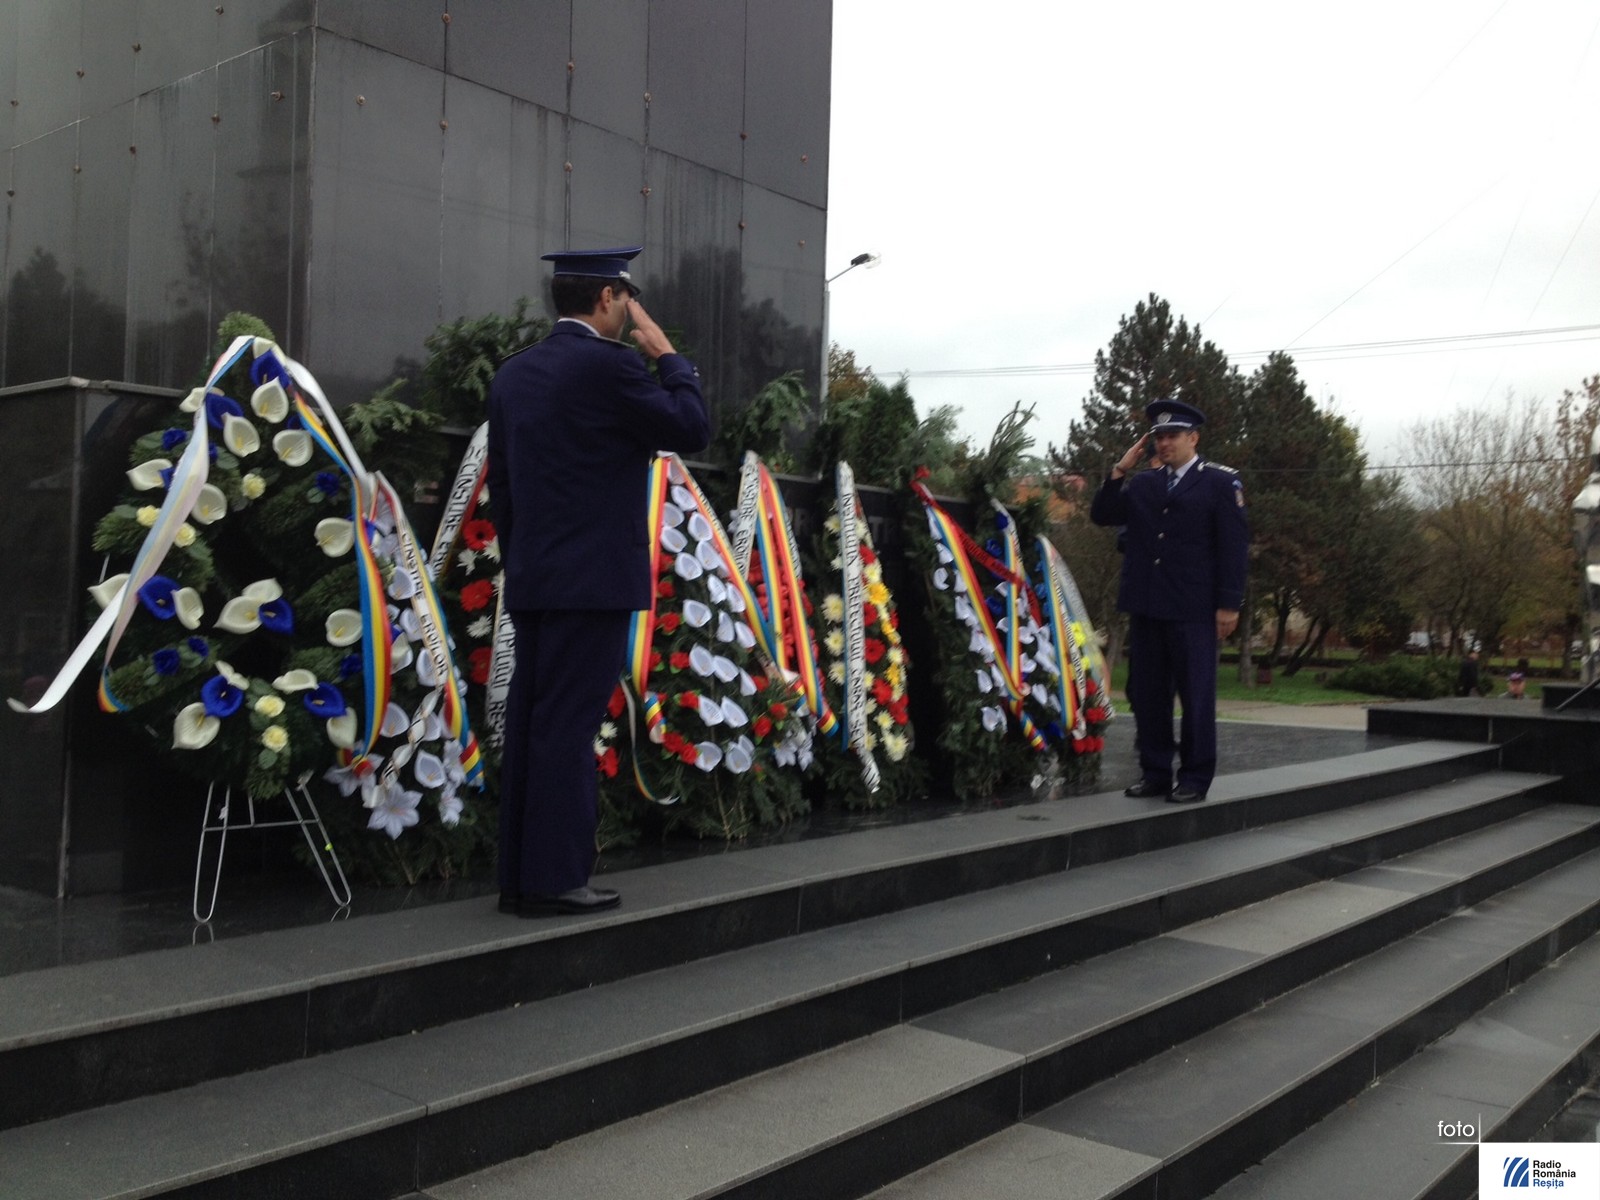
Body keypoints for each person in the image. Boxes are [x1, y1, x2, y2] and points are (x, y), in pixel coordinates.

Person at [487, 246, 710, 915]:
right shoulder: (611, 366)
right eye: (628, 297)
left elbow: (503, 488)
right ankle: (555, 880)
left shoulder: (514, 374)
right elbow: (691, 426)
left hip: (535, 578)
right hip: (593, 583)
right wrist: (668, 355)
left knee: (533, 722)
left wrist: (523, 562)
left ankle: (520, 877)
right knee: (567, 727)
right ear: (608, 297)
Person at [1090, 399, 1250, 804]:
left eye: (1172, 436)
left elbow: (1233, 547)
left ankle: (1194, 777)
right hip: (1148, 605)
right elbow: (1103, 515)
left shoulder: (1220, 482)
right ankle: (1155, 772)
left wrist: (1229, 604)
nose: (1164, 443)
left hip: (1194, 609)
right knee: (1148, 696)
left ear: (1193, 438)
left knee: (1195, 697)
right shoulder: (1145, 483)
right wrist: (1120, 471)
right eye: (1159, 437)